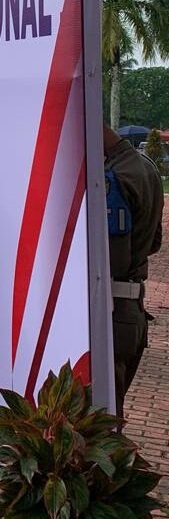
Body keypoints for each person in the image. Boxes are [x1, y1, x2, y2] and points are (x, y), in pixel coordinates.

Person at [104, 126, 163, 421]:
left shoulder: (112, 177)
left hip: (110, 312)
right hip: (133, 311)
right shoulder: (146, 167)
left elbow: (111, 261)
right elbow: (154, 243)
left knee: (102, 425)